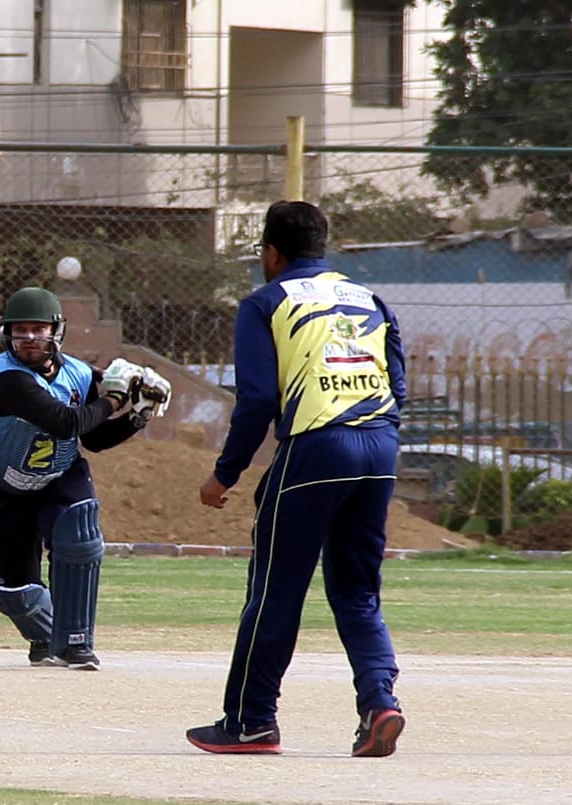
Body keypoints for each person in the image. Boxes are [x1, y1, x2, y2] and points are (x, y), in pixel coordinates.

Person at [186, 201, 407, 757]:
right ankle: (380, 703)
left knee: (276, 588)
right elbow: (399, 385)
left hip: (317, 448)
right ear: (323, 247)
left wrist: (224, 474)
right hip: (380, 448)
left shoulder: (266, 302)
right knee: (357, 592)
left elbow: (258, 398)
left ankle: (250, 721)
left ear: (271, 253)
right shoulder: (368, 299)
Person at [0, 286, 170, 669]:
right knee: (19, 593)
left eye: (38, 329)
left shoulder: (79, 374)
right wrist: (115, 398)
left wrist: (138, 415)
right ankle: (46, 638)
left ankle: (76, 642)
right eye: (20, 330)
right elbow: (66, 423)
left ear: (56, 332)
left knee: (79, 535)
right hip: (4, 489)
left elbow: (93, 438)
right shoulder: (4, 378)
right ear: (7, 334)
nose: (29, 338)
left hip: (59, 476)